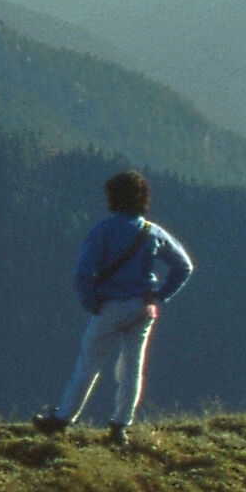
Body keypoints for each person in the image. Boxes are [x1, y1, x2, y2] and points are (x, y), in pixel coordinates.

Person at [34, 170, 193, 445]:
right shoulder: (151, 232)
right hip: (143, 307)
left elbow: (84, 272)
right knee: (132, 366)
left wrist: (92, 302)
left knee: (88, 363)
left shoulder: (103, 230)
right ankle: (120, 426)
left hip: (110, 305)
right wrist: (159, 295)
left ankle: (62, 419)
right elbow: (184, 266)